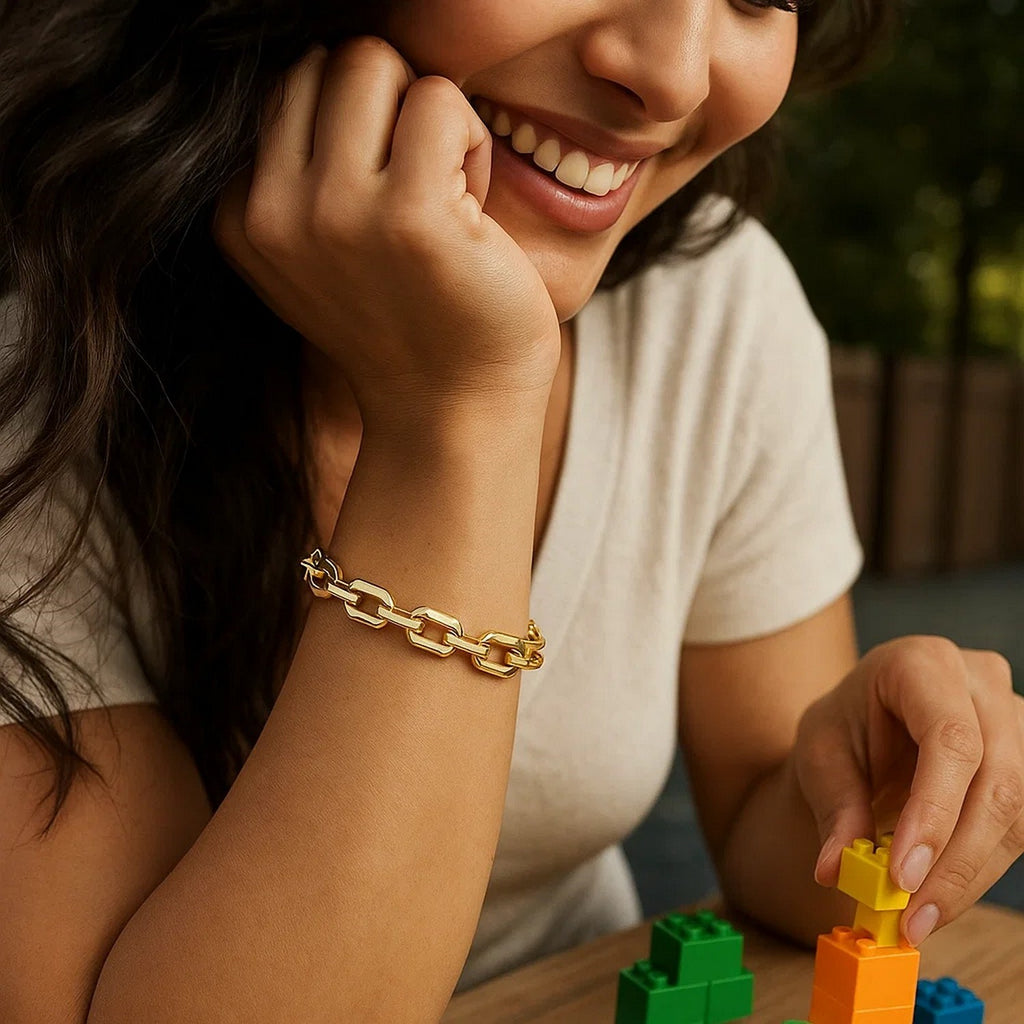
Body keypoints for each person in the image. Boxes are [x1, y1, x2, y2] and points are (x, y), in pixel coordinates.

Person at [0, 1, 1021, 1021]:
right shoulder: (33, 351)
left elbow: (771, 815)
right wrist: (455, 411)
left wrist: (872, 791)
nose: (672, 75)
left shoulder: (714, 308)